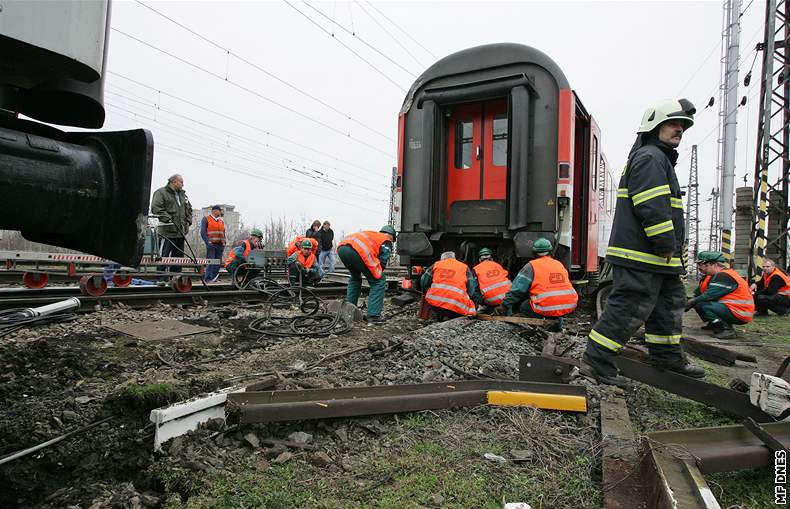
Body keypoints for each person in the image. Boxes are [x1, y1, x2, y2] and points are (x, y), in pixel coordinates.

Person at [583, 99, 704, 388]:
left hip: (659, 258)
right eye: (673, 124)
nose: (680, 130)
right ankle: (596, 360)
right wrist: (665, 242)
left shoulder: (657, 158)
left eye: (683, 126)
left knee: (668, 306)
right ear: (654, 126)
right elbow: (651, 204)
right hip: (644, 254)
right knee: (628, 308)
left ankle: (667, 356)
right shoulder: (651, 157)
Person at [497, 238, 577, 327]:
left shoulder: (531, 266)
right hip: (569, 304)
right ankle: (557, 325)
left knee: (524, 306)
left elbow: (517, 290)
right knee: (556, 307)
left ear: (534, 253)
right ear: (550, 252)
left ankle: (539, 325)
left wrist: (505, 304)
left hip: (547, 307)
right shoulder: (559, 264)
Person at [686, 251, 754, 339]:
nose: (699, 268)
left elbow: (709, 295)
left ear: (713, 264)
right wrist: (691, 299)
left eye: (701, 264)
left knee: (702, 305)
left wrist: (691, 302)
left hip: (740, 312)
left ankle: (724, 329)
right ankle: (714, 323)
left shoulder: (723, 276)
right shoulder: (711, 276)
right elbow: (699, 293)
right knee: (699, 303)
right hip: (735, 309)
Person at [337, 225, 396, 324]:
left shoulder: (373, 235)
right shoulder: (386, 240)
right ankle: (373, 316)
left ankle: (349, 310)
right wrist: (377, 273)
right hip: (358, 251)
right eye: (393, 240)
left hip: (342, 248)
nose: (392, 242)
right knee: (379, 280)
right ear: (391, 236)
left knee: (355, 278)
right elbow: (383, 261)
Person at [151, 174, 192, 275]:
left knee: (178, 258)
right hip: (167, 232)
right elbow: (156, 208)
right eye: (181, 182)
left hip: (180, 232)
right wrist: (168, 220)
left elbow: (189, 209)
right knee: (163, 256)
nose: (183, 184)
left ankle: (175, 277)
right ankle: (160, 278)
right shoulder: (161, 193)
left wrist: (188, 221)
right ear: (173, 182)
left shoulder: (183, 195)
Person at [421, 252, 481, 320]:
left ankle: (440, 317)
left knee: (436, 305)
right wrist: (469, 297)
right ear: (454, 258)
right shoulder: (464, 267)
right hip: (457, 305)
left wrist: (425, 291)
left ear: (442, 259)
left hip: (435, 303)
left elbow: (423, 280)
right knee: (469, 308)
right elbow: (471, 287)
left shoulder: (436, 264)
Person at [200, 205, 225, 282]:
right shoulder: (206, 219)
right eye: (220, 210)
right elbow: (203, 232)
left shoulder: (221, 221)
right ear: (214, 211)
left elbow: (223, 232)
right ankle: (207, 278)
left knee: (218, 263)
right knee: (210, 262)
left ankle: (213, 278)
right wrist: (208, 242)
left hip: (220, 245)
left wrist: (224, 242)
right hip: (211, 244)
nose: (221, 212)